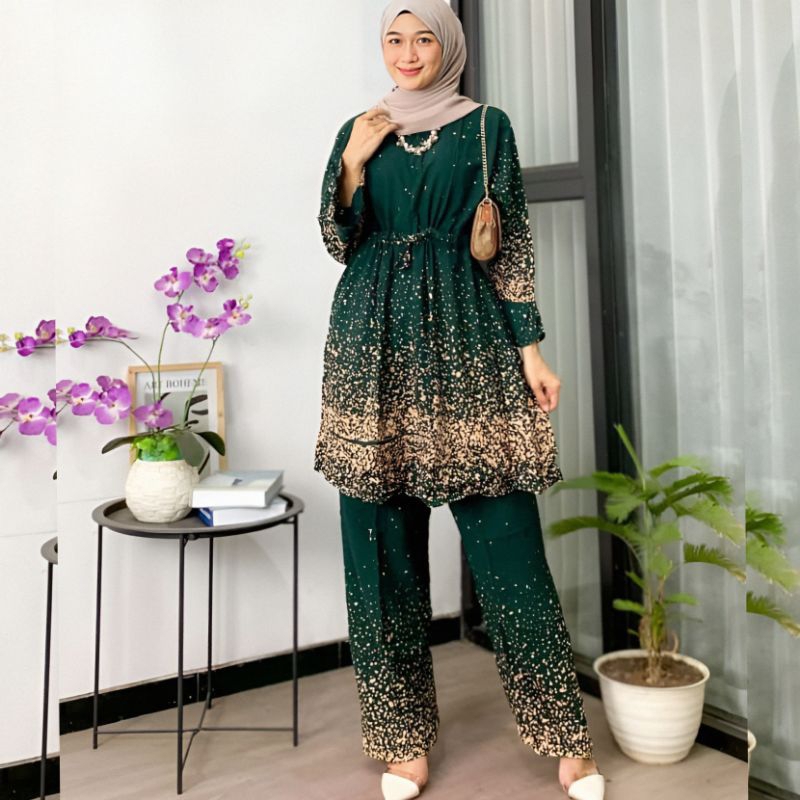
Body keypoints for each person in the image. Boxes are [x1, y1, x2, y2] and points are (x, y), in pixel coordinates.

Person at [314, 2, 606, 799]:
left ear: (450, 47)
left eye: (424, 39)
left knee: (508, 545)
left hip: (468, 342)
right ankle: (402, 740)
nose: (408, 53)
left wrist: (531, 349)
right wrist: (351, 167)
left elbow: (509, 245)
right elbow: (339, 241)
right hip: (370, 348)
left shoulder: (487, 128)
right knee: (379, 551)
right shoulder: (359, 129)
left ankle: (565, 737)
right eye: (394, 39)